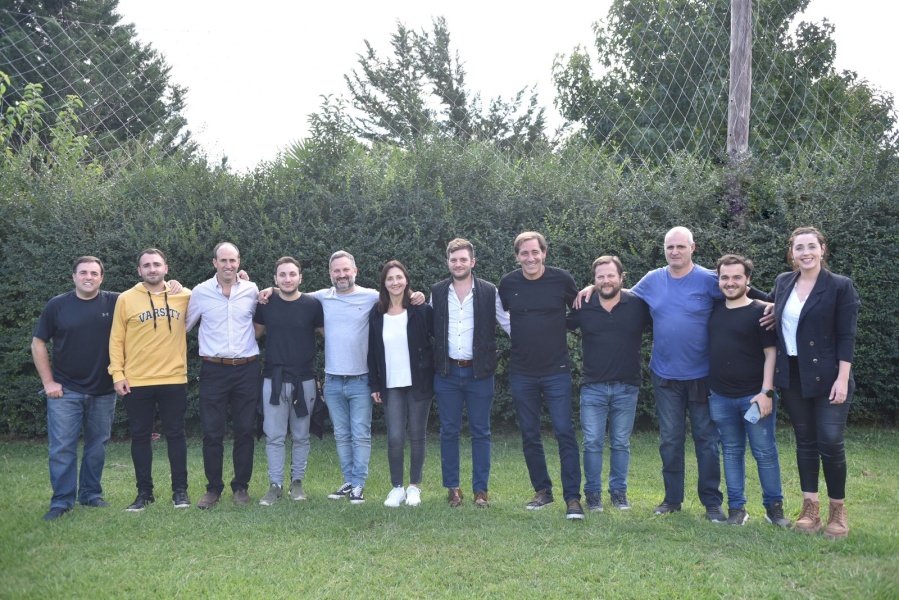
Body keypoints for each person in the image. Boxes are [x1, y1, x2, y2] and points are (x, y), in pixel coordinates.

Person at [576, 227, 763, 520]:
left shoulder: (708, 279)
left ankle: (712, 503)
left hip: (702, 375)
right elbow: (619, 294)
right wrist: (592, 287)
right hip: (665, 377)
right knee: (670, 441)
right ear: (664, 249)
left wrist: (772, 305)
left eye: (680, 246)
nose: (674, 252)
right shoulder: (653, 280)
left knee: (707, 441)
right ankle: (672, 500)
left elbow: (741, 293)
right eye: (669, 247)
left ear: (692, 248)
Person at [257, 251, 425, 505]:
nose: (342, 274)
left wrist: (414, 294)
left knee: (360, 434)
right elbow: (291, 292)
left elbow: (396, 291)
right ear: (330, 274)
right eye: (337, 270)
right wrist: (270, 290)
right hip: (333, 380)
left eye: (346, 270)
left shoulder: (371, 296)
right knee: (341, 435)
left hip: (361, 379)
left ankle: (359, 485)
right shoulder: (320, 298)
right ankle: (348, 481)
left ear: (355, 271)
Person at [769, 227, 860, 539]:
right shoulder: (783, 282)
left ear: (822, 249)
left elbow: (847, 336)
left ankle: (837, 510)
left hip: (829, 376)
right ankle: (810, 507)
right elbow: (772, 307)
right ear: (791, 253)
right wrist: (766, 307)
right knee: (805, 440)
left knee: (831, 441)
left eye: (811, 246)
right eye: (799, 248)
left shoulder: (839, 286)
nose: (805, 252)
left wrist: (843, 379)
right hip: (793, 375)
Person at [498, 231, 584, 520]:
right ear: (517, 257)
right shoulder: (508, 283)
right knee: (530, 434)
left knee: (564, 432)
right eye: (524, 253)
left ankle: (573, 498)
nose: (530, 258)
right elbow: (501, 313)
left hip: (556, 371)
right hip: (521, 372)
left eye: (535, 252)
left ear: (544, 253)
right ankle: (542, 490)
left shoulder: (562, 279)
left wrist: (561, 325)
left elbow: (579, 310)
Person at [32, 256, 118, 521]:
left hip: (104, 390)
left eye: (94, 273)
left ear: (102, 278)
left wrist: (172, 285)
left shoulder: (116, 302)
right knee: (62, 447)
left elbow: (149, 294)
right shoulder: (57, 305)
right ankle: (61, 501)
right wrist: (48, 382)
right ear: (74, 277)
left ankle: (90, 494)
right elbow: (38, 342)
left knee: (97, 445)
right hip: (65, 391)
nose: (88, 277)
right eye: (83, 273)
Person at [707, 254, 790, 528]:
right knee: (731, 453)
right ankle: (737, 510)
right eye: (724, 277)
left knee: (765, 453)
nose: (730, 282)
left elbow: (771, 354)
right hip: (721, 397)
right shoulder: (714, 309)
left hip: (755, 397)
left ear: (748, 280)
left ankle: (774, 510)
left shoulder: (761, 312)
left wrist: (767, 392)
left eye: (737, 277)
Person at [108, 248, 192, 512]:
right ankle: (144, 493)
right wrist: (117, 374)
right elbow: (116, 339)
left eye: (157, 264)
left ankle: (180, 491)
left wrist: (243, 278)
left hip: (173, 378)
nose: (152, 269)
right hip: (137, 380)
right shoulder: (125, 299)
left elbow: (218, 292)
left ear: (166, 268)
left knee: (176, 434)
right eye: (147, 265)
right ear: (139, 271)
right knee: (140, 437)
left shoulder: (184, 295)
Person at [567, 256, 650, 512]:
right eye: (600, 277)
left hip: (627, 386)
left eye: (611, 275)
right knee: (592, 442)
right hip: (593, 386)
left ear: (622, 277)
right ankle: (592, 494)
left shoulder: (638, 304)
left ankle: (618, 493)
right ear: (593, 280)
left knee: (620, 443)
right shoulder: (584, 304)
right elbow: (557, 324)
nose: (606, 280)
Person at [431, 238, 509, 508]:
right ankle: (453, 488)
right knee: (448, 431)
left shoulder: (489, 291)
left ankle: (480, 490)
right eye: (453, 260)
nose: (458, 264)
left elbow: (508, 323)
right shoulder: (437, 292)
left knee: (481, 432)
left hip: (480, 373)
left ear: (472, 262)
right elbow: (425, 324)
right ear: (448, 263)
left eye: (463, 259)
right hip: (447, 373)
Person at [186, 242, 261, 509]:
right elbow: (182, 326)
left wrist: (273, 290)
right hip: (213, 370)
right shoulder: (200, 292)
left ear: (239, 262)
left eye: (233, 260)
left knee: (245, 430)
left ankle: (241, 486)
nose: (228, 265)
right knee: (212, 432)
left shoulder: (252, 290)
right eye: (223, 260)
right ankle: (213, 489)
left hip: (247, 369)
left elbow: (263, 317)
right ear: (214, 262)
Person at [253, 257, 324, 506]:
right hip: (273, 379)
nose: (287, 279)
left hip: (304, 379)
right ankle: (275, 485)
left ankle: (297, 483)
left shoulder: (312, 305)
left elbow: (330, 335)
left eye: (292, 274)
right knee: (274, 436)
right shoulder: (266, 304)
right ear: (275, 279)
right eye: (282, 275)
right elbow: (253, 334)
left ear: (300, 277)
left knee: (301, 435)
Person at [367, 261, 435, 507]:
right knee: (395, 437)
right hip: (391, 383)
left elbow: (436, 341)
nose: (395, 282)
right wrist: (374, 384)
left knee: (417, 435)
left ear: (406, 280)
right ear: (384, 283)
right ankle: (397, 487)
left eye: (399, 277)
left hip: (419, 382)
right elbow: (372, 351)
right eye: (390, 278)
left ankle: (414, 486)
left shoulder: (421, 310)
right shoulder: (377, 313)